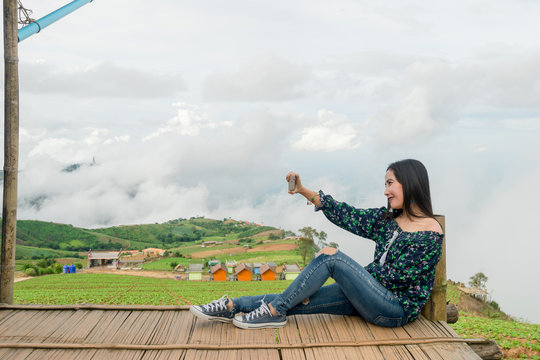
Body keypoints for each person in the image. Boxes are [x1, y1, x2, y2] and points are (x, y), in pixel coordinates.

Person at [190, 159, 444, 329]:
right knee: (300, 299)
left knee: (331, 257)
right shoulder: (389, 219)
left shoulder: (430, 233)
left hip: (393, 310)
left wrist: (351, 273)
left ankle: (274, 311)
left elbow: (397, 278)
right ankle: (231, 306)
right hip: (370, 295)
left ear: (410, 183)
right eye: (385, 184)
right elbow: (345, 214)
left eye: (390, 183)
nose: (386, 191)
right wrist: (302, 190)